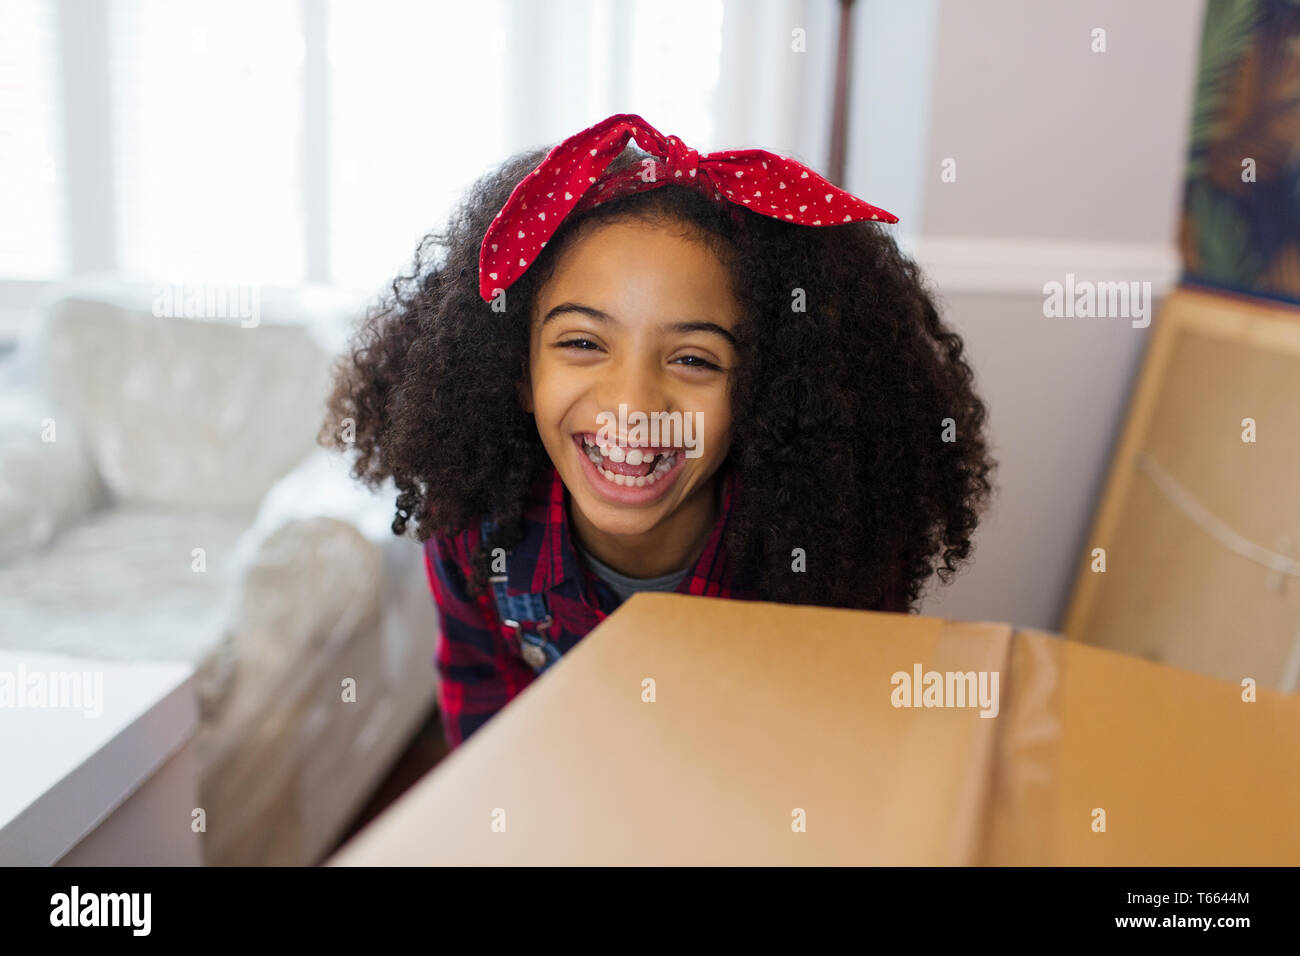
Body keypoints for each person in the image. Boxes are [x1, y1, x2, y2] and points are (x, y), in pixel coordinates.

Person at [320, 114, 996, 750]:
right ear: (516, 373)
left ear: (762, 392)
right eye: (583, 342)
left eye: (695, 359)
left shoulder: (827, 550)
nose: (632, 404)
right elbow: (484, 701)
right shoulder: (472, 529)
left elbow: (839, 744)